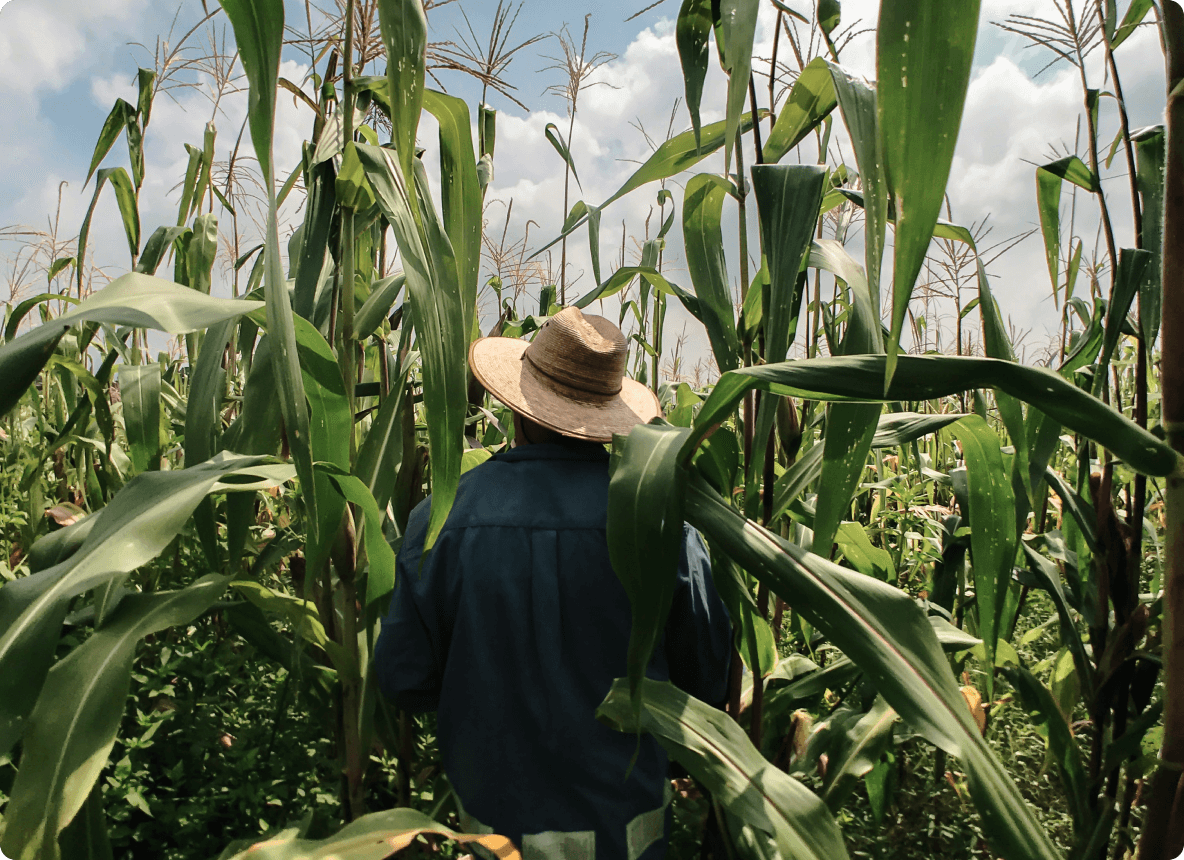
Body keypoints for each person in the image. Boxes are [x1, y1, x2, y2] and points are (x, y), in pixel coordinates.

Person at [374, 306, 732, 860]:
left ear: (518, 409)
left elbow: (403, 680)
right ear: (610, 416)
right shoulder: (663, 527)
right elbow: (706, 685)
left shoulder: (442, 519)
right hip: (629, 839)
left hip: (492, 838)